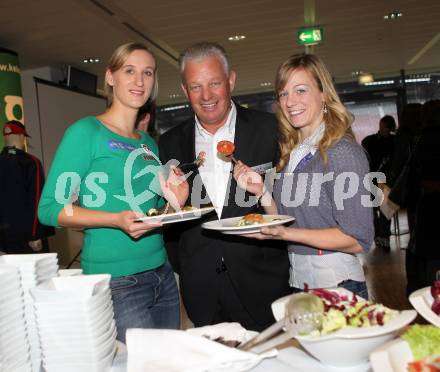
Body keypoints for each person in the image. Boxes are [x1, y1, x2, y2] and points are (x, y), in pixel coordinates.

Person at [38, 42, 188, 343]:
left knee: (169, 362)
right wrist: (114, 219)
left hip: (162, 273)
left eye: (147, 73)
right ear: (110, 77)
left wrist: (176, 197)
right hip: (119, 281)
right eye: (129, 71)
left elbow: (153, 211)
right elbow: (50, 208)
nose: (139, 81)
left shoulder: (147, 143)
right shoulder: (86, 132)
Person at [159, 42, 291, 331]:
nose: (206, 96)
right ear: (184, 90)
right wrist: (190, 266)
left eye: (214, 83)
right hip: (203, 290)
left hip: (263, 283)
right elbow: (170, 225)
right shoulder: (169, 143)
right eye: (195, 87)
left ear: (231, 81)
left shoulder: (270, 129)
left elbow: (288, 204)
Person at [233, 53, 374, 298]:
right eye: (283, 93)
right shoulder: (294, 153)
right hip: (300, 283)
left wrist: (285, 234)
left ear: (324, 94)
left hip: (339, 286)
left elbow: (357, 238)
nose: (290, 102)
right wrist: (263, 192)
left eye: (300, 90)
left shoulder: (341, 152)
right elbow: (286, 220)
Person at [0, 120, 54, 254]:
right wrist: (35, 234)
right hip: (26, 237)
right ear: (22, 136)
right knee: (37, 273)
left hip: (3, 238)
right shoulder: (30, 162)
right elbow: (37, 200)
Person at [405, 100, 440, 294]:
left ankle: (431, 292)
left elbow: (413, 176)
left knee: (429, 252)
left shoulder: (422, 140)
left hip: (428, 203)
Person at [362, 115, 396, 250]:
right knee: (382, 211)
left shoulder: (369, 141)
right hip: (381, 179)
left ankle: (381, 236)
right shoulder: (394, 142)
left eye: (384, 127)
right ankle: (382, 236)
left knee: (380, 211)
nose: (382, 130)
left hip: (377, 178)